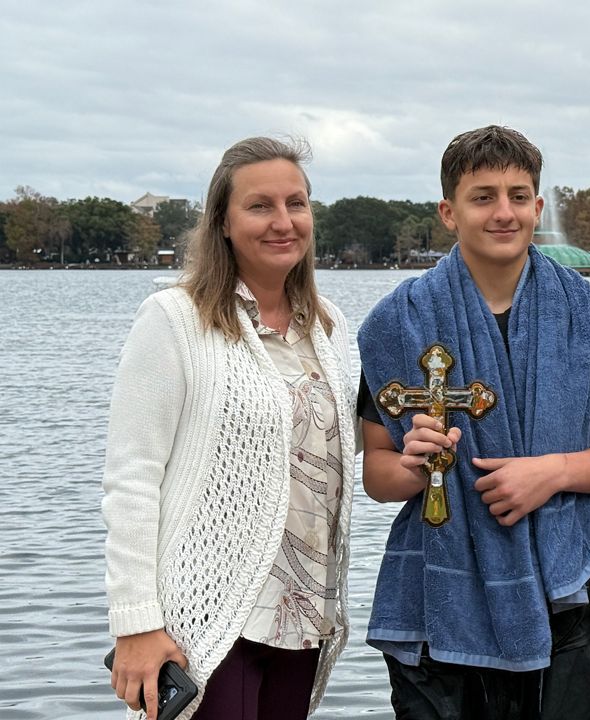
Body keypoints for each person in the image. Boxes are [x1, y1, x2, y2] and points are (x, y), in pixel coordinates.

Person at [357, 125, 590, 719]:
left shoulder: (588, 315)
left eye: (519, 196)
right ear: (448, 211)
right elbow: (377, 475)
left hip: (560, 595)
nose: (504, 212)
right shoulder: (399, 323)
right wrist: (415, 464)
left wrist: (553, 473)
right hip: (439, 602)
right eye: (482, 196)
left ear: (538, 207)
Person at [102, 137, 357, 719]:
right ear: (221, 219)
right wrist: (136, 621)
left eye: (297, 203)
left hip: (304, 612)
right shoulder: (174, 320)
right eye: (260, 205)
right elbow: (132, 477)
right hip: (211, 614)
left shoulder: (329, 325)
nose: (283, 222)